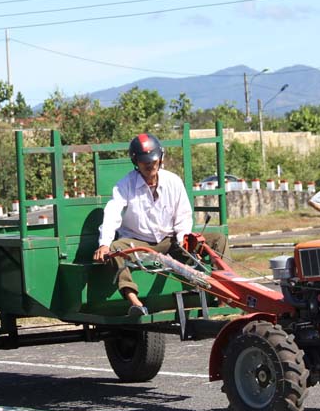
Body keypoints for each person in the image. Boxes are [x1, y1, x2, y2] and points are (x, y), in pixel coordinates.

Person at [93, 133, 227, 317]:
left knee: (218, 238)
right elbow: (112, 213)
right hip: (138, 244)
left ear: (160, 158)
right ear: (136, 162)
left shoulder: (173, 181)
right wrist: (104, 243)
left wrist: (183, 240)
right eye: (144, 162)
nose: (150, 165)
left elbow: (183, 215)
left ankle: (224, 294)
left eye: (154, 160)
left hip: (170, 241)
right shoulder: (125, 185)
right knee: (116, 249)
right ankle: (135, 301)